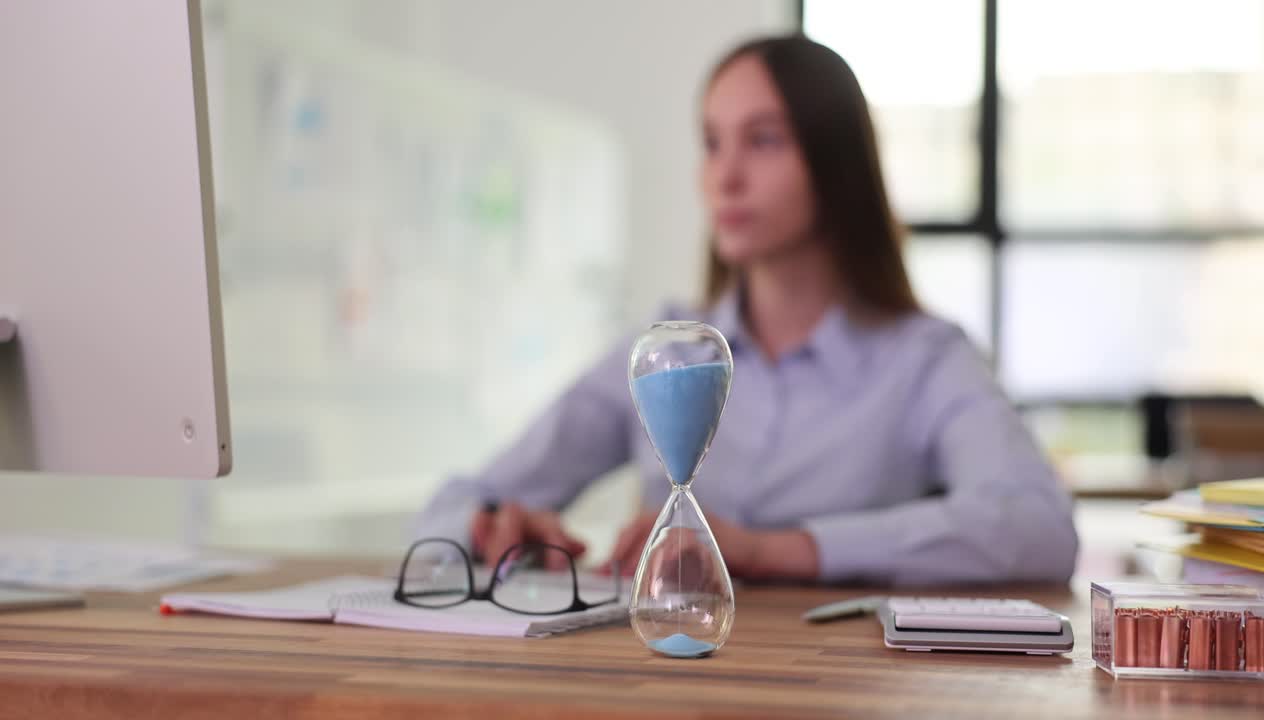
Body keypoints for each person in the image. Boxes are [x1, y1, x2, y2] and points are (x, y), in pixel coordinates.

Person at [415, 34, 1078, 586]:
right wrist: (490, 525)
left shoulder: (924, 358)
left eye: (762, 140)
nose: (724, 176)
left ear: (835, 163)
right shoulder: (665, 352)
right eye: (711, 142)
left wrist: (773, 548)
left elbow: (1040, 527)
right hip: (663, 681)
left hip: (835, 684)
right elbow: (450, 506)